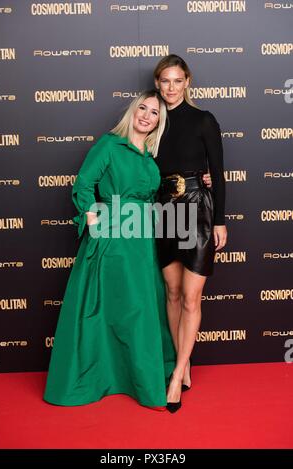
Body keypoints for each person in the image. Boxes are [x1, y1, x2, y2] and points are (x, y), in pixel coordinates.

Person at [43, 90, 176, 408]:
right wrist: (93, 219)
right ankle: (103, 378)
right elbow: (84, 183)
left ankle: (141, 381)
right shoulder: (108, 145)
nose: (146, 115)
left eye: (154, 112)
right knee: (111, 309)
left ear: (159, 121)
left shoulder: (148, 158)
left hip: (142, 240)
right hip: (113, 235)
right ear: (132, 111)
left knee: (139, 309)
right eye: (142, 108)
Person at [153, 54, 227, 412]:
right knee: (172, 291)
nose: (171, 88)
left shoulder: (203, 120)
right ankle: (182, 364)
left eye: (177, 81)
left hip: (197, 208)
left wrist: (220, 220)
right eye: (165, 81)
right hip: (165, 210)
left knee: (191, 298)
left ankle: (179, 372)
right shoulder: (151, 120)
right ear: (157, 84)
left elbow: (219, 172)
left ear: (187, 82)